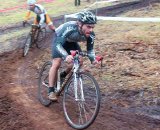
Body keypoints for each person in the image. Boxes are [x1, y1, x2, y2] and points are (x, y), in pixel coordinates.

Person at [48, 10, 98, 101]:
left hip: (71, 42)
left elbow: (90, 50)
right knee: (57, 63)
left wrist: (93, 59)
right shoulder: (70, 28)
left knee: (79, 61)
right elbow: (58, 45)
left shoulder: (91, 35)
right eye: (88, 27)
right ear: (80, 24)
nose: (91, 30)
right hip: (59, 40)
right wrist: (65, 56)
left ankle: (63, 75)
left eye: (92, 27)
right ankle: (51, 91)